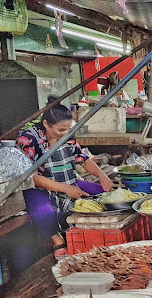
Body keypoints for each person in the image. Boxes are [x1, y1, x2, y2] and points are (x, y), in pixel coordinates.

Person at [16, 98, 113, 257]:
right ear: (47, 124)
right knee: (43, 211)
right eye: (61, 130)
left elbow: (82, 158)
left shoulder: (67, 135)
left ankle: (84, 231)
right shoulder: (28, 139)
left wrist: (101, 175)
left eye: (68, 129)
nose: (65, 133)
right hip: (38, 187)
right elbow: (32, 178)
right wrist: (66, 189)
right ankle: (57, 239)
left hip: (68, 182)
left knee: (103, 194)